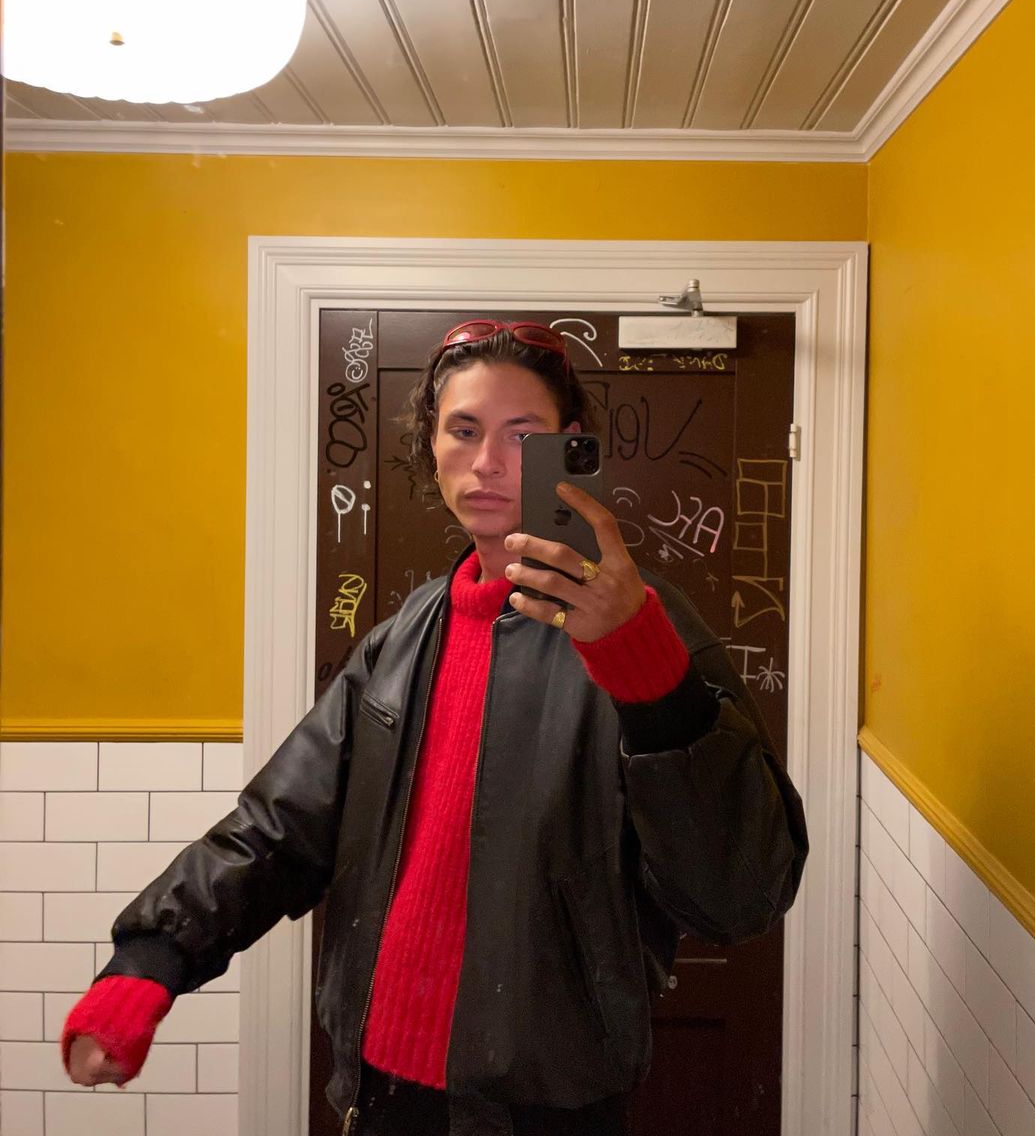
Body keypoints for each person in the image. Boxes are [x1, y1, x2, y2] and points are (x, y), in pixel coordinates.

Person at [61, 319, 809, 1135]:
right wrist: (152, 957)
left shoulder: (645, 627)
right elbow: (281, 827)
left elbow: (740, 894)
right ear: (431, 444)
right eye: (464, 429)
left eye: (522, 435)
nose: (487, 462)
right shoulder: (401, 640)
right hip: (378, 1093)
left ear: (570, 447)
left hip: (546, 1105)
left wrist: (649, 679)